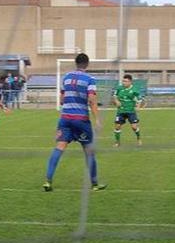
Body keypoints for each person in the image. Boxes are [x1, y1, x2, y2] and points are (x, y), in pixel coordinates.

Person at [43, 53, 106, 192]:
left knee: (59, 148)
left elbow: (61, 99)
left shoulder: (66, 77)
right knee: (89, 152)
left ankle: (48, 181)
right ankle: (95, 184)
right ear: (87, 64)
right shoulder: (89, 79)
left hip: (65, 118)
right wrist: (97, 119)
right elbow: (91, 99)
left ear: (75, 63)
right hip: (81, 120)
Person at [112, 74, 145, 147]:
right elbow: (114, 96)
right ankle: (117, 142)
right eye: (123, 81)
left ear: (130, 82)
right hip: (121, 111)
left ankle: (139, 138)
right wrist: (116, 101)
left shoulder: (135, 90)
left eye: (126, 81)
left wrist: (138, 107)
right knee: (117, 126)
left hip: (131, 111)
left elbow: (139, 99)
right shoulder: (119, 88)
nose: (124, 83)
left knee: (134, 127)